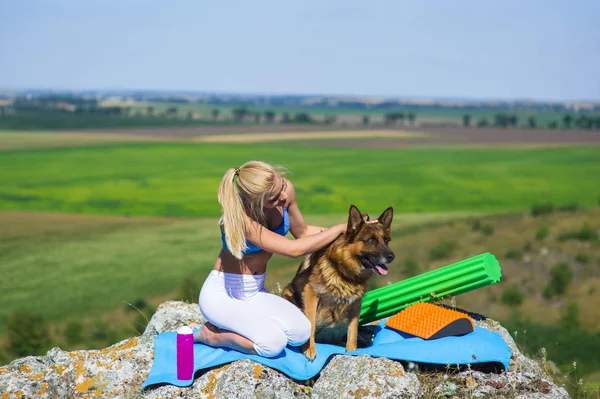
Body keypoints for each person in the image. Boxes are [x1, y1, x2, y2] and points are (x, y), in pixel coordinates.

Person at [194, 160, 347, 357]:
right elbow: (293, 249)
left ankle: (246, 323)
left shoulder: (286, 191)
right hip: (223, 295)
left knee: (301, 333)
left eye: (282, 186)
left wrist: (350, 232)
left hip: (254, 291)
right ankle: (210, 336)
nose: (284, 196)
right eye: (274, 199)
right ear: (254, 201)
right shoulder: (241, 219)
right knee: (272, 345)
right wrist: (338, 229)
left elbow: (303, 233)